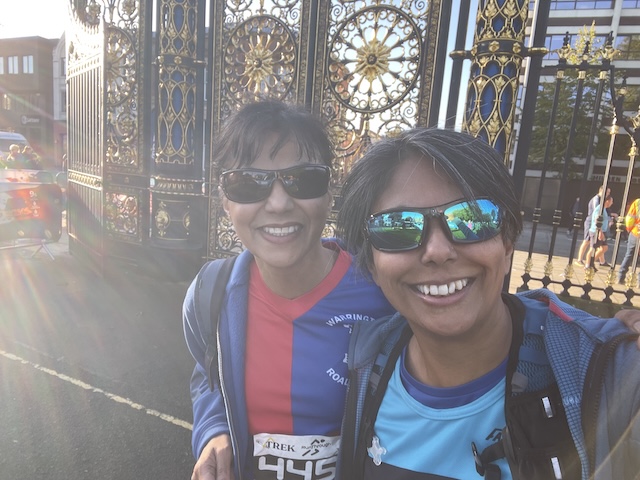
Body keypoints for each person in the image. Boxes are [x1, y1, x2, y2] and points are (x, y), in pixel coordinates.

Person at [336, 128, 640, 479]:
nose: (437, 251)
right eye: (398, 227)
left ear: (508, 243)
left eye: (472, 218)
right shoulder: (364, 366)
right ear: (372, 263)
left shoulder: (608, 375)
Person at [182, 101, 395, 480]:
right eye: (248, 183)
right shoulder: (209, 294)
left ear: (330, 192)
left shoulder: (384, 293)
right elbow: (210, 376)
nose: (278, 204)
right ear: (225, 201)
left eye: (303, 179)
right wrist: (213, 431)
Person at [575, 186, 610, 266]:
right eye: (607, 192)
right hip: (591, 222)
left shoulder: (600, 200)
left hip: (595, 223)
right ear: (602, 191)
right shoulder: (596, 199)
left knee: (598, 242)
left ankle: (602, 261)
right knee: (587, 241)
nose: (608, 194)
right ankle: (579, 259)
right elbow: (596, 212)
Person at [585, 195, 613, 270]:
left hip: (601, 232)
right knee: (592, 249)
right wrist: (600, 231)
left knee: (604, 247)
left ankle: (591, 262)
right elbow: (597, 220)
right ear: (607, 201)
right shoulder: (599, 209)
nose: (612, 203)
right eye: (611, 201)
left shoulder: (604, 209)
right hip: (596, 232)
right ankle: (588, 265)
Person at [617, 197, 640, 286]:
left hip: (635, 232)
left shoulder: (637, 202)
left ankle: (621, 277)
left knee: (629, 255)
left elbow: (629, 218)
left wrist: (630, 229)